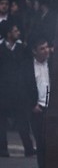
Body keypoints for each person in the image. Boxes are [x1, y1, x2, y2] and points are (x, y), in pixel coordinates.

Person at [0, 20, 34, 157]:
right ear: (8, 34)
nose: (18, 33)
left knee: (22, 122)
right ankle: (2, 149)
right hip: (3, 91)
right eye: (15, 31)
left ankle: (29, 148)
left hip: (19, 91)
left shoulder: (21, 49)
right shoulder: (1, 49)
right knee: (1, 122)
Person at [19, 36, 51, 168]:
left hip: (53, 107)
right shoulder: (27, 67)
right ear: (34, 51)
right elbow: (23, 88)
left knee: (53, 138)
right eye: (42, 49)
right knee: (41, 139)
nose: (46, 51)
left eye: (46, 47)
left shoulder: (53, 63)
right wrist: (32, 105)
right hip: (38, 108)